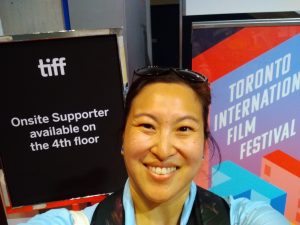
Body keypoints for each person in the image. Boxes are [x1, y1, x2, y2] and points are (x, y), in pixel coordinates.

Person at [18, 66, 290, 225]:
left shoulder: (243, 219)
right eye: (147, 125)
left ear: (204, 145)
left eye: (184, 129)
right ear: (123, 138)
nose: (163, 149)